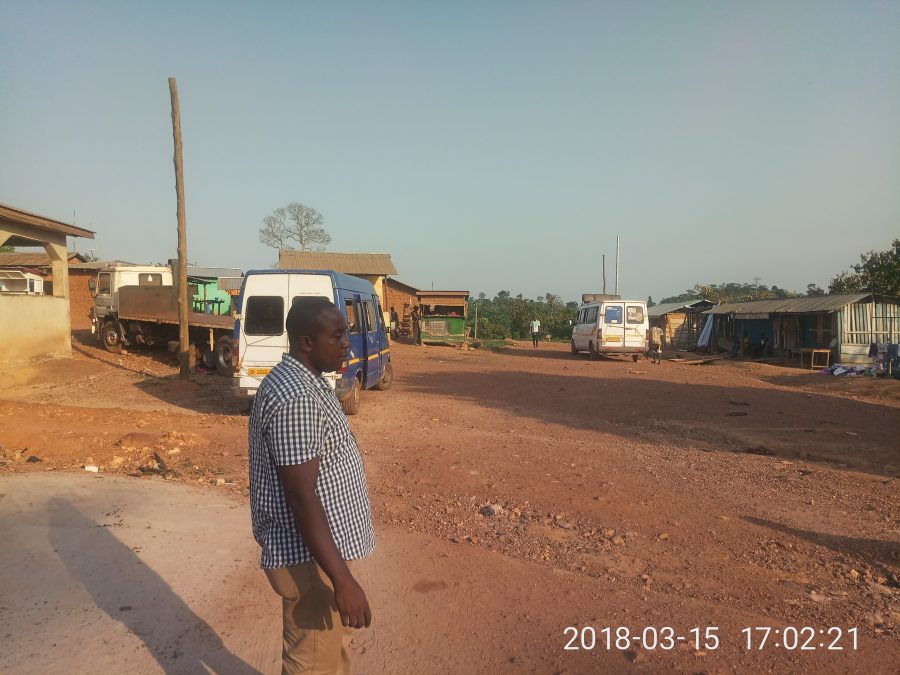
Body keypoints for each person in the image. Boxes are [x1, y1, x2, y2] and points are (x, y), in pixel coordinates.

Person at [249, 297, 374, 675]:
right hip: (310, 559)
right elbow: (301, 497)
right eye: (336, 336)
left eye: (345, 333)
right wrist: (342, 579)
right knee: (314, 662)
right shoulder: (297, 398)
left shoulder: (305, 380)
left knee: (332, 654)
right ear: (306, 342)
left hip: (319, 554)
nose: (346, 343)